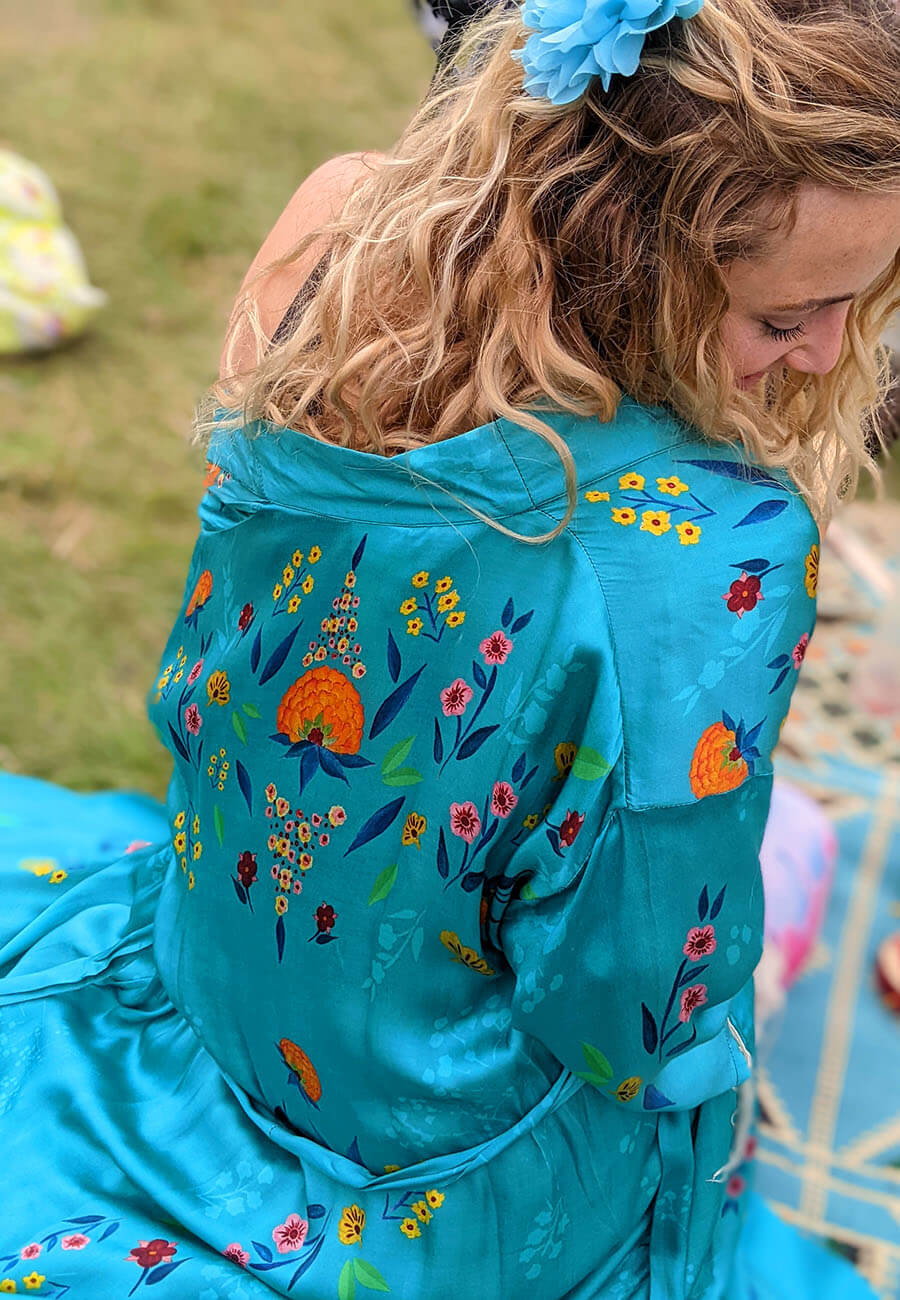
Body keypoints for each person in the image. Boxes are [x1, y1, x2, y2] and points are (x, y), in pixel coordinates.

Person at [2, 0, 899, 1296]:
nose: (827, 351)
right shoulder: (715, 549)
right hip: (437, 1184)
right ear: (642, 251)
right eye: (786, 316)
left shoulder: (337, 227)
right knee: (783, 869)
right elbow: (633, 1024)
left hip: (216, 990)